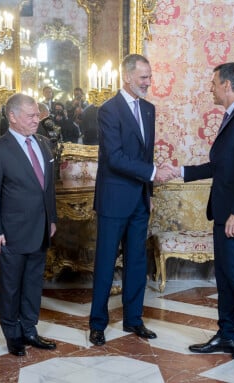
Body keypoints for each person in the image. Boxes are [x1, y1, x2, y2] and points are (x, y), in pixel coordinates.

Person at [173, 62, 234, 359]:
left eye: (214, 82)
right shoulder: (233, 116)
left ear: (227, 84)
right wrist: (178, 171)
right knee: (226, 275)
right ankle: (227, 334)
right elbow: (220, 166)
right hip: (224, 210)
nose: (211, 88)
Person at [88, 54, 173, 346]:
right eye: (143, 77)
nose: (148, 82)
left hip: (139, 199)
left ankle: (133, 320)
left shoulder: (149, 110)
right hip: (114, 199)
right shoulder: (108, 110)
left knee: (137, 262)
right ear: (127, 77)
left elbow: (144, 155)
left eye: (149, 77)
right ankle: (97, 324)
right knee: (106, 262)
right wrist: (152, 172)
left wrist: (148, 193)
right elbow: (114, 158)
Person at [0, 93, 58, 357]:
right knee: (11, 287)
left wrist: (53, 218)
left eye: (38, 114)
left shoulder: (43, 145)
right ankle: (12, 334)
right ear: (12, 117)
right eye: (31, 115)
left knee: (34, 284)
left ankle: (29, 329)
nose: (37, 119)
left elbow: (47, 188)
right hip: (10, 233)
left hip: (40, 228)